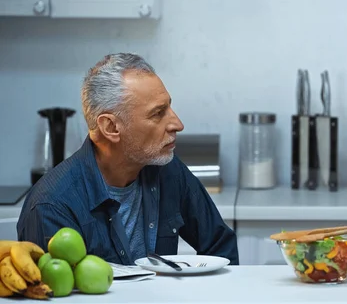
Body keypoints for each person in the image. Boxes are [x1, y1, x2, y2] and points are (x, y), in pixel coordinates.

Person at [17, 53, 239, 265]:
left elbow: (221, 249)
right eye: (158, 113)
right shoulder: (51, 206)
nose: (177, 124)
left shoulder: (167, 168)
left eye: (169, 107)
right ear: (111, 127)